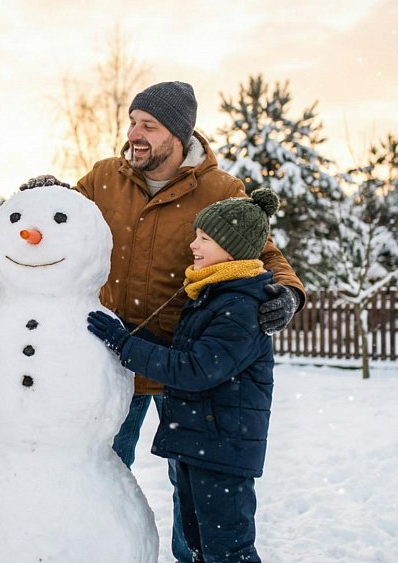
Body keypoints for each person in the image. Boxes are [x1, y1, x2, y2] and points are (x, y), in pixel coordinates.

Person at [88, 188, 282, 563]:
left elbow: (194, 369)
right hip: (201, 443)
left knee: (228, 551)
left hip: (222, 451)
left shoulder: (240, 306)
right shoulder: (213, 293)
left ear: (232, 249)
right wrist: (124, 329)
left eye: (204, 238)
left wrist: (124, 345)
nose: (193, 245)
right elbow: (181, 351)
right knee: (198, 546)